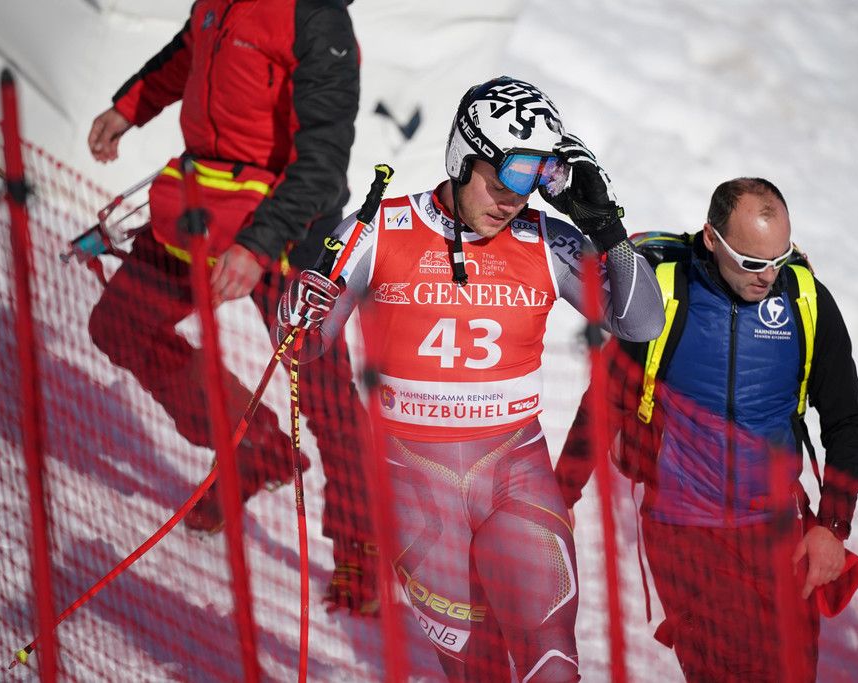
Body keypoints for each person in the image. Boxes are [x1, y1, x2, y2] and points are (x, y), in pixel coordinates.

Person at [276, 75, 664, 682]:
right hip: (415, 488)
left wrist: (606, 227)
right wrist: (300, 310)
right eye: (502, 181)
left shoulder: (546, 239)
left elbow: (641, 323)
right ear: (462, 158)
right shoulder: (381, 228)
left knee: (551, 661)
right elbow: (303, 346)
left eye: (529, 185)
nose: (512, 203)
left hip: (515, 475)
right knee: (474, 671)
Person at [84, 0, 378, 613]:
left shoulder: (317, 18)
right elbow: (185, 55)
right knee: (121, 325)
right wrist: (128, 108)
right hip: (205, 202)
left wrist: (258, 244)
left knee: (323, 395)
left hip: (291, 225)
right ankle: (256, 446)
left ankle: (361, 547)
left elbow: (324, 160)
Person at [555, 180, 858, 682]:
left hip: (775, 527)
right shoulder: (665, 295)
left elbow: (847, 420)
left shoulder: (805, 299)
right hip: (684, 532)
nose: (768, 275)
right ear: (711, 238)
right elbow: (606, 402)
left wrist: (833, 528)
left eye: (780, 257)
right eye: (751, 261)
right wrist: (562, 494)